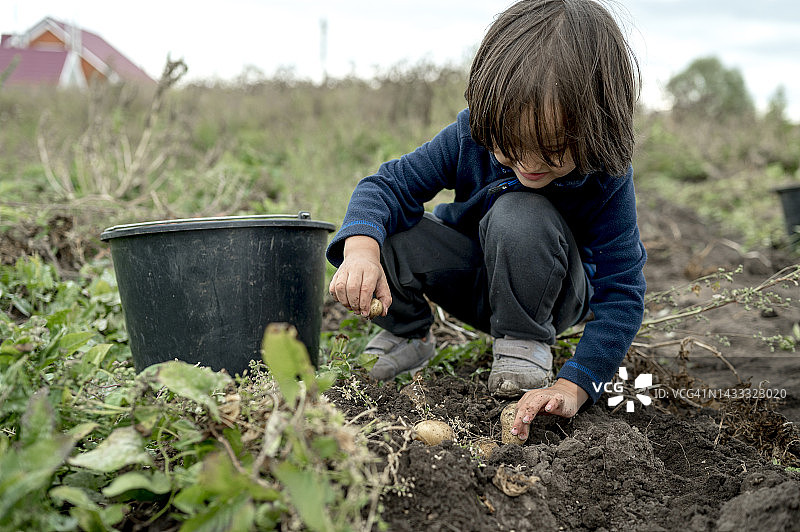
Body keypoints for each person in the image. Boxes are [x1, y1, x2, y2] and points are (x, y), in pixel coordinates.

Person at [326, 0, 646, 442]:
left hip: (551, 295)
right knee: (389, 228)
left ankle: (524, 345)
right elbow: (385, 186)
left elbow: (623, 293)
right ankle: (408, 335)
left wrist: (576, 385)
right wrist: (361, 251)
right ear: (487, 116)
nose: (530, 165)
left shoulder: (607, 177)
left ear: (597, 127)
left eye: (553, 151)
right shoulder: (470, 134)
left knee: (521, 210)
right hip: (476, 280)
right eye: (509, 148)